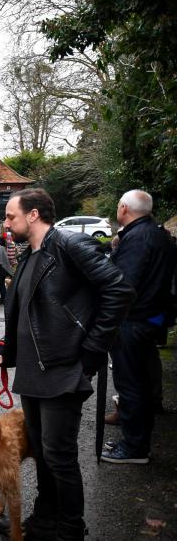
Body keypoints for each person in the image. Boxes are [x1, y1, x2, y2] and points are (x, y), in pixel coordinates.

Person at [0, 188, 133, 541]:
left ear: (33, 215)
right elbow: (28, 312)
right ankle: (45, 523)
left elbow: (118, 290)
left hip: (63, 369)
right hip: (34, 371)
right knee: (45, 454)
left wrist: (90, 350)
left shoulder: (69, 245)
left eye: (10, 216)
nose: (6, 223)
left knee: (61, 458)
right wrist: (7, 346)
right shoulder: (32, 253)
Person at [103, 190, 177, 464]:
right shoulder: (157, 235)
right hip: (150, 317)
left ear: (124, 207)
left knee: (131, 384)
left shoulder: (137, 238)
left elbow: (123, 284)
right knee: (140, 383)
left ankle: (134, 447)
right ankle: (135, 441)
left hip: (135, 320)